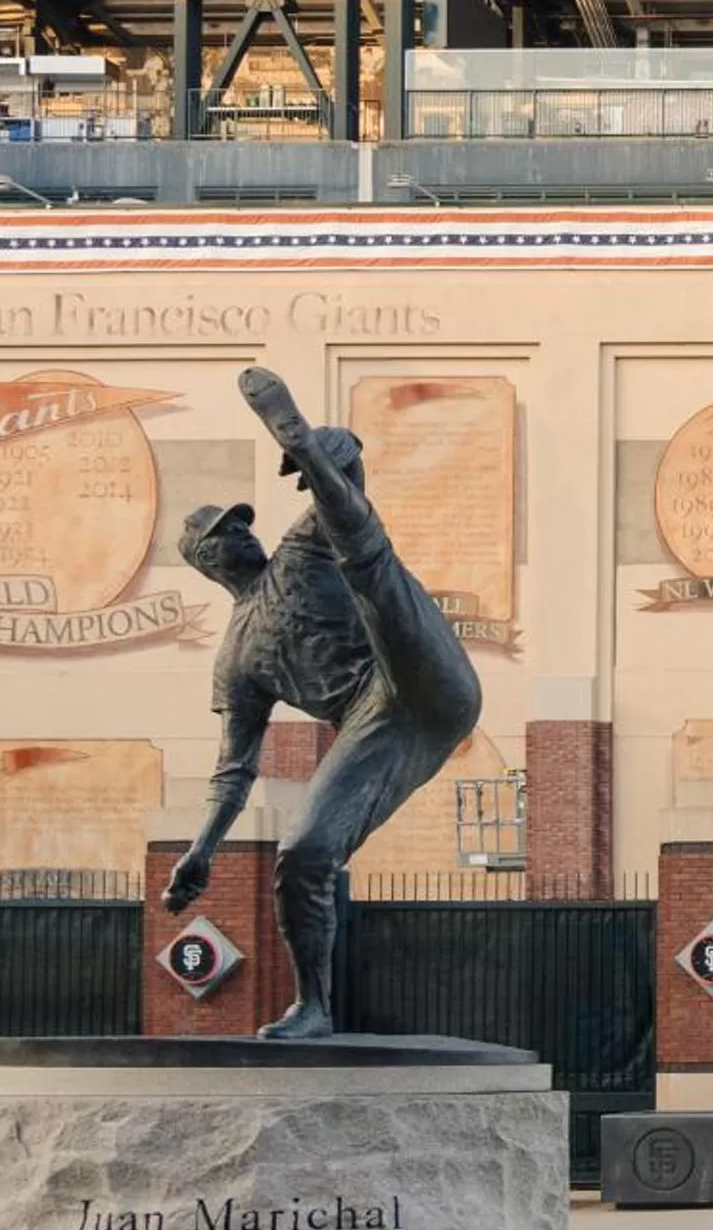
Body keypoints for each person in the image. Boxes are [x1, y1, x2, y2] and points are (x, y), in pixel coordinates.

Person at [163, 368, 482, 1039]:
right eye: (225, 533)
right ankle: (314, 1005)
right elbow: (234, 771)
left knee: (368, 561)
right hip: (378, 727)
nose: (241, 534)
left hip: (418, 675)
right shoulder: (236, 664)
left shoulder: (296, 551)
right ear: (207, 559)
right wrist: (201, 850)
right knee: (303, 853)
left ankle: (300, 443)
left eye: (241, 524)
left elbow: (350, 490)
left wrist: (331, 450)